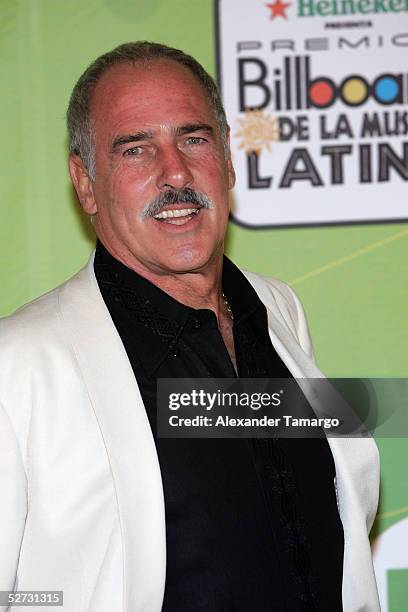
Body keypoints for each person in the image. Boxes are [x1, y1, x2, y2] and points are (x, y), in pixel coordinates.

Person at [0, 42, 380, 611]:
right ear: (85, 183)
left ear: (227, 159)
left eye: (194, 139)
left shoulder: (277, 310)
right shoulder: (20, 362)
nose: (175, 170)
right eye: (135, 149)